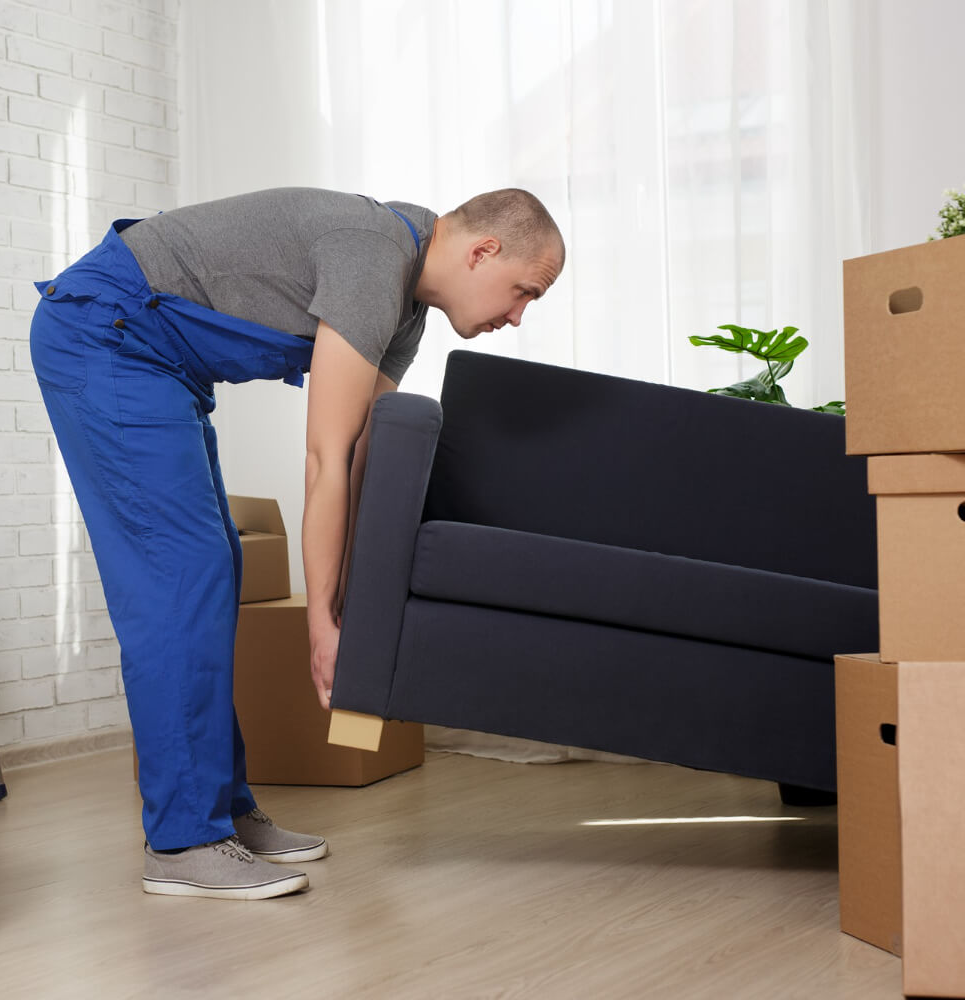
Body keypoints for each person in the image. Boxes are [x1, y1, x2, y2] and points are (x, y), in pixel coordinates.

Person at [29, 187, 564, 900]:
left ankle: (223, 812)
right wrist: (321, 627)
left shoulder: (404, 313)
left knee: (213, 566)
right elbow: (325, 460)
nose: (519, 315)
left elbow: (364, 462)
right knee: (181, 577)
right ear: (482, 250)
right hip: (105, 335)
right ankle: (185, 841)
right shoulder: (374, 255)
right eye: (525, 291)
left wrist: (354, 607)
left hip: (155, 361)